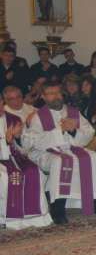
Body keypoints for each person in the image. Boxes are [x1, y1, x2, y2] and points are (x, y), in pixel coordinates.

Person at [24, 81, 96, 224]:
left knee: (95, 158)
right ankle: (58, 208)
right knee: (60, 161)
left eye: (58, 93)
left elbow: (88, 132)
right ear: (44, 98)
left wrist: (73, 130)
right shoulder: (38, 116)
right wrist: (60, 131)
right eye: (51, 94)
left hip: (73, 148)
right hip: (47, 152)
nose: (56, 97)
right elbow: (34, 141)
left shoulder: (73, 112)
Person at [0, 95, 52, 229]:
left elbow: (25, 146)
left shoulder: (14, 119)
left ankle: (35, 218)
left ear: (2, 102)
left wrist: (17, 138)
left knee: (33, 170)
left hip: (15, 157)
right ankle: (9, 218)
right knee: (5, 177)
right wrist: (6, 141)